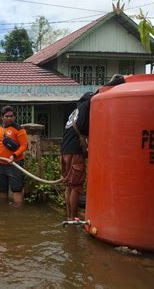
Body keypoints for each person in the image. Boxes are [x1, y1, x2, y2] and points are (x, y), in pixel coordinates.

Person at [60, 92, 93, 221]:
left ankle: (69, 217)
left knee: (69, 186)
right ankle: (74, 218)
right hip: (75, 152)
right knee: (76, 187)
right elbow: (97, 94)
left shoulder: (75, 111)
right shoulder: (87, 105)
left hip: (65, 151)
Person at [0, 106, 27, 205]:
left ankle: (17, 212)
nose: (9, 118)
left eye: (11, 116)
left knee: (16, 190)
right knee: (2, 190)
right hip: (0, 164)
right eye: (7, 116)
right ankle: (3, 212)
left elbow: (24, 146)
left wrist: (14, 155)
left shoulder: (19, 129)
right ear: (2, 117)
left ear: (14, 117)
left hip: (14, 164)